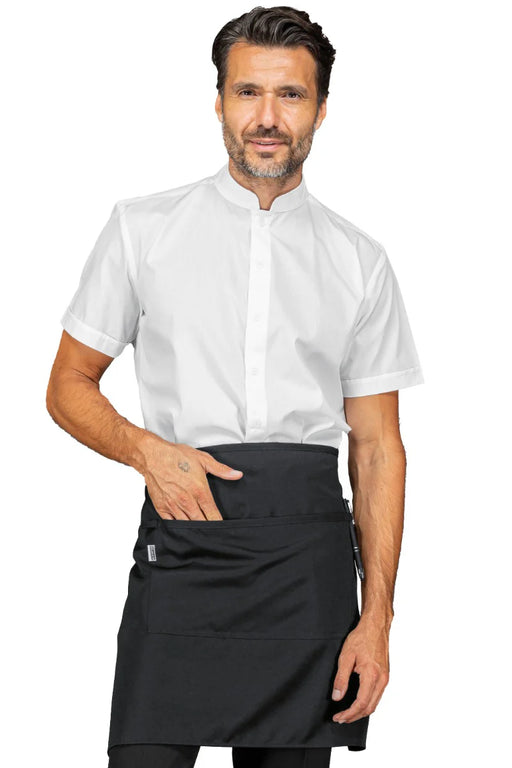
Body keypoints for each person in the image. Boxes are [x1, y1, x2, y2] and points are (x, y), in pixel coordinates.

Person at [46, 6, 425, 768]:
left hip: (307, 569)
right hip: (184, 543)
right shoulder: (142, 230)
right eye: (248, 92)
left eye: (291, 95)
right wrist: (146, 452)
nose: (267, 118)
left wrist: (378, 617)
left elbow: (378, 448)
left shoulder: (360, 260)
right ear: (218, 101)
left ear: (321, 108)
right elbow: (67, 386)